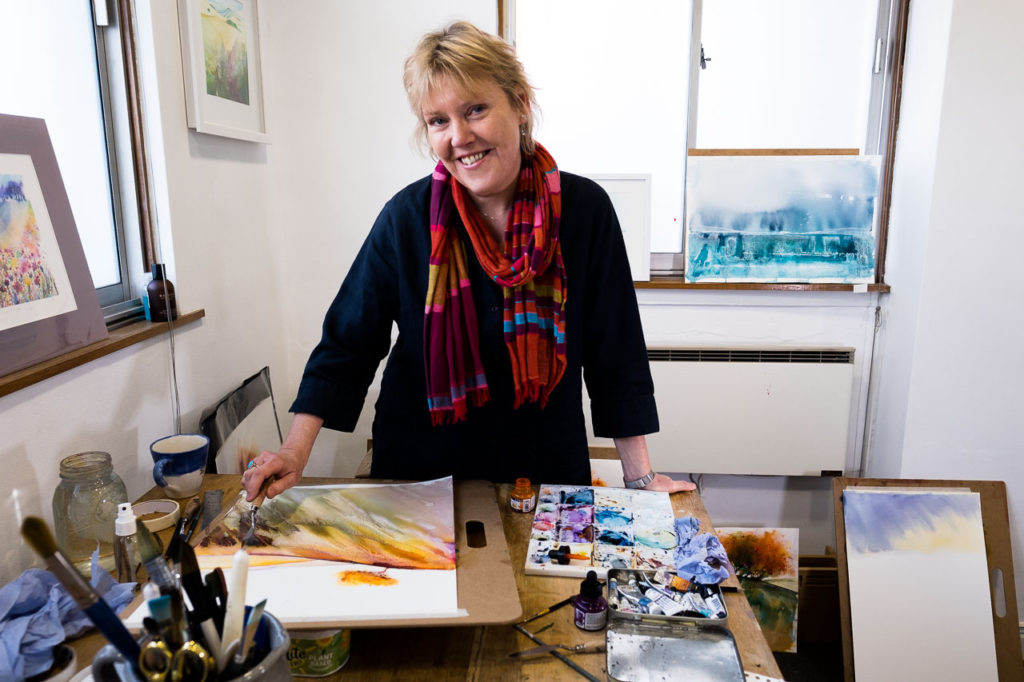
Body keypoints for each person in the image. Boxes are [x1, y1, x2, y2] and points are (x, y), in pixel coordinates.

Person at [243, 21, 695, 502]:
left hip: (542, 471)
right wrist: (294, 451)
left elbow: (615, 352)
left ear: (520, 104)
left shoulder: (584, 211)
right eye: (438, 121)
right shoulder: (406, 218)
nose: (459, 136)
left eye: (475, 109)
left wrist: (640, 478)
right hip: (418, 472)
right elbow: (347, 344)